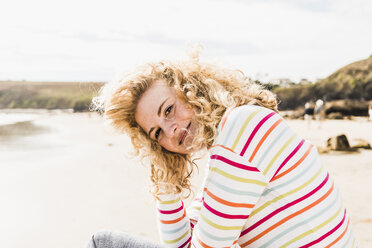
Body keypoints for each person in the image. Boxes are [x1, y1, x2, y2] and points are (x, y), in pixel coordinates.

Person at [88, 51, 356, 247]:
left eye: (169, 109)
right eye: (156, 133)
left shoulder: (242, 129)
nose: (169, 130)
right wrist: (166, 177)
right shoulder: (227, 152)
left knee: (102, 243)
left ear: (191, 89)